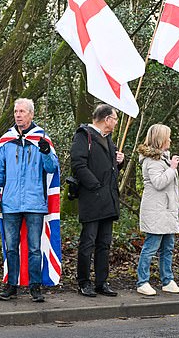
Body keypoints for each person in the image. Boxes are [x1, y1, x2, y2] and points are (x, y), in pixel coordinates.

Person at [0, 98, 59, 302]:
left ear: (31, 114)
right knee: (11, 247)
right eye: (16, 111)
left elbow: (51, 168)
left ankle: (35, 286)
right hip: (10, 203)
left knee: (34, 248)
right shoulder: (6, 141)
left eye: (22, 111)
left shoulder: (41, 139)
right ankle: (11, 285)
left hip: (35, 203)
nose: (18, 115)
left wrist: (46, 152)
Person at [70, 104, 124, 297]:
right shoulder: (84, 136)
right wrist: (95, 186)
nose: (117, 123)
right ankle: (84, 282)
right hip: (92, 199)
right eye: (115, 119)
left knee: (104, 243)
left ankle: (102, 282)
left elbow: (112, 170)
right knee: (88, 242)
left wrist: (120, 161)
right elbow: (78, 164)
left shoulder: (109, 140)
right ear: (107, 119)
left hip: (108, 200)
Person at [135, 124, 179, 296]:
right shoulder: (152, 161)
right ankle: (142, 281)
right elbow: (159, 183)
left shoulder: (162, 159)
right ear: (160, 139)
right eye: (168, 137)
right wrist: (172, 169)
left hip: (166, 211)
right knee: (151, 246)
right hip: (156, 211)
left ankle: (167, 280)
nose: (170, 139)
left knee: (168, 247)